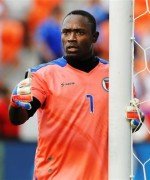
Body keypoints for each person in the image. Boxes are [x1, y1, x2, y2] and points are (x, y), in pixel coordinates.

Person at [9, 10, 143, 180]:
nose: (71, 38)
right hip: (55, 176)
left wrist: (135, 120)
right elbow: (18, 118)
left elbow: (132, 121)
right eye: (66, 32)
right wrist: (16, 104)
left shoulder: (117, 75)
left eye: (79, 32)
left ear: (94, 37)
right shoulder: (43, 74)